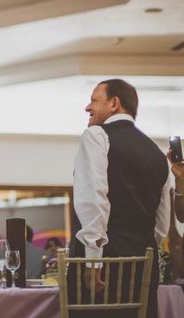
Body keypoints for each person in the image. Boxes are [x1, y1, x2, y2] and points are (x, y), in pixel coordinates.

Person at [68, 79, 170, 318]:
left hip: (105, 263)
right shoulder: (157, 153)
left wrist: (93, 261)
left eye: (94, 100)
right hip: (144, 264)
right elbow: (162, 223)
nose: (87, 107)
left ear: (114, 103)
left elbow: (94, 199)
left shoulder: (96, 136)